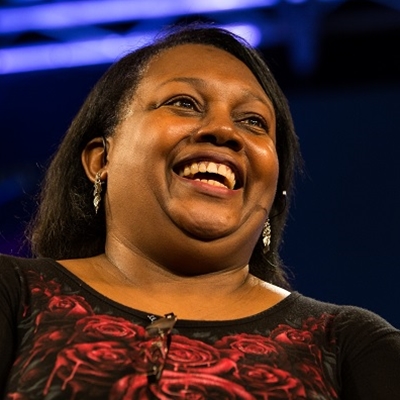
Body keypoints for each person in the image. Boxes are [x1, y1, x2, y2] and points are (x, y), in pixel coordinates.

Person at [0, 23, 399, 400]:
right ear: (101, 159)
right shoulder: (16, 294)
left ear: (275, 191)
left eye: (253, 121)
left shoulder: (347, 344)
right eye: (184, 103)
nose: (224, 131)